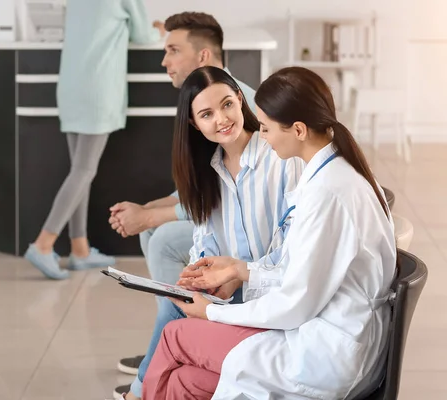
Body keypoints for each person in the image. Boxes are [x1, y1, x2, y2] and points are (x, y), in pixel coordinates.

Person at [142, 66, 397, 400]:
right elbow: (298, 272)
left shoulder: (327, 191)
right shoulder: (326, 178)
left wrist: (213, 311)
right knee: (182, 382)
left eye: (265, 127)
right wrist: (238, 270)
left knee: (175, 335)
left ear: (299, 130)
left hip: (324, 350)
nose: (262, 136)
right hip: (315, 332)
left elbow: (296, 301)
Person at [117, 66, 305, 400]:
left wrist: (237, 274)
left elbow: (294, 249)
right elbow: (204, 244)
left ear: (240, 100)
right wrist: (201, 272)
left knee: (173, 323)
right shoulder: (207, 173)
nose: (222, 119)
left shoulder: (278, 157)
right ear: (193, 124)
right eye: (207, 114)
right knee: (177, 307)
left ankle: (137, 394)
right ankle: (141, 393)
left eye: (227, 104)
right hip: (234, 299)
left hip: (271, 304)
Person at [109, 11, 259, 385]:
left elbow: (229, 199)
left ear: (204, 57)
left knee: (161, 239)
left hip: (246, 235)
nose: (165, 61)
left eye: (173, 50)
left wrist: (151, 218)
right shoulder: (203, 107)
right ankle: (169, 338)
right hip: (222, 219)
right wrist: (146, 212)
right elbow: (199, 189)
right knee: (153, 234)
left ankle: (162, 354)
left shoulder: (235, 110)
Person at [24, 0, 166, 280]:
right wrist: (158, 30)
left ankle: (80, 249)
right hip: (97, 88)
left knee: (80, 171)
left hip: (71, 86)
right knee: (84, 170)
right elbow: (143, 35)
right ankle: (43, 244)